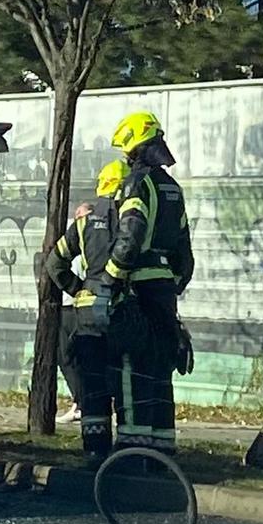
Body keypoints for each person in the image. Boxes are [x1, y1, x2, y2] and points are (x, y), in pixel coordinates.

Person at [101, 111, 195, 454]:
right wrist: (171, 285)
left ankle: (132, 453)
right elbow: (185, 255)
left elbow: (129, 237)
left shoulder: (137, 184)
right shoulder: (173, 187)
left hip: (136, 291)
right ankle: (161, 451)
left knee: (132, 368)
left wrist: (109, 283)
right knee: (160, 371)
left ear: (134, 147)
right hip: (164, 293)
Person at [44, 159, 130, 465]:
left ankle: (95, 449)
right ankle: (130, 449)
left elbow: (54, 264)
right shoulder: (134, 222)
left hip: (88, 316)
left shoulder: (84, 225)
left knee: (92, 385)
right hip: (123, 313)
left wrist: (79, 289)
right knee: (125, 382)